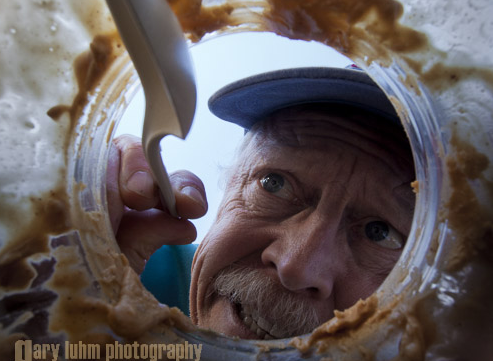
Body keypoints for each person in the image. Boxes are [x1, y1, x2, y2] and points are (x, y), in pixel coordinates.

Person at [106, 66, 415, 340]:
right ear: (227, 187)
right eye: (274, 184)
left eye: (379, 232)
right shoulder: (118, 267)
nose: (295, 268)